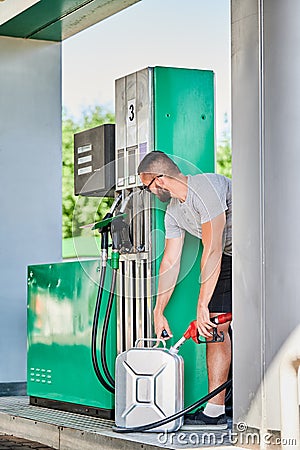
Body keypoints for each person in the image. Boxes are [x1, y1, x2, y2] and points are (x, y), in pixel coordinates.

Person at [137, 151, 232, 430]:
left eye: (148, 186)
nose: (150, 192)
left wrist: (201, 305)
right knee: (214, 327)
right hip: (228, 256)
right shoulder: (174, 212)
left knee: (222, 317)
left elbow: (212, 247)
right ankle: (215, 410)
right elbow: (170, 261)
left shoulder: (206, 187)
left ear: (161, 180)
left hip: (260, 252)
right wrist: (158, 310)